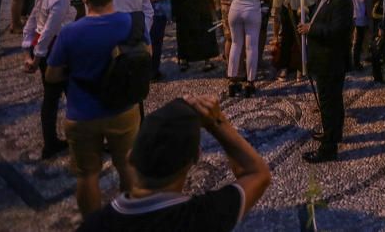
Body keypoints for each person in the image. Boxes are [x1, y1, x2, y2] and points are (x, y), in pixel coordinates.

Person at [77, 95, 271, 231]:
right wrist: (217, 122)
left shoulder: (94, 225)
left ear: (130, 157)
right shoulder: (201, 218)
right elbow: (257, 173)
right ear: (194, 159)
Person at [45, 0, 149, 216]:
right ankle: (130, 217)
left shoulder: (71, 32)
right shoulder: (132, 23)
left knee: (88, 175)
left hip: (83, 111)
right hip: (123, 107)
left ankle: (93, 225)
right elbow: (147, 56)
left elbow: (52, 75)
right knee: (127, 165)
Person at [22, 0, 79, 159]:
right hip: (57, 50)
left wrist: (28, 52)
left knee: (53, 96)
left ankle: (53, 140)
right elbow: (48, 31)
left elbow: (31, 24)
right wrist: (35, 57)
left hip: (46, 49)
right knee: (66, 94)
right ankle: (71, 138)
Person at [298, 0, 353, 163]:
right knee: (330, 102)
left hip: (331, 59)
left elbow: (338, 31)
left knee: (330, 103)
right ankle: (333, 133)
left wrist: (311, 29)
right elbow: (320, 17)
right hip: (323, 58)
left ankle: (328, 148)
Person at [226, 0, 272, 97]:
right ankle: (250, 82)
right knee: (251, 46)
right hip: (252, 7)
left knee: (235, 44)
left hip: (236, 6)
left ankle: (232, 81)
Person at [130, 0, 178, 81]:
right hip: (159, 9)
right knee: (156, 42)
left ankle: (141, 71)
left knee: (141, 41)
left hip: (139, 9)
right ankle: (153, 71)